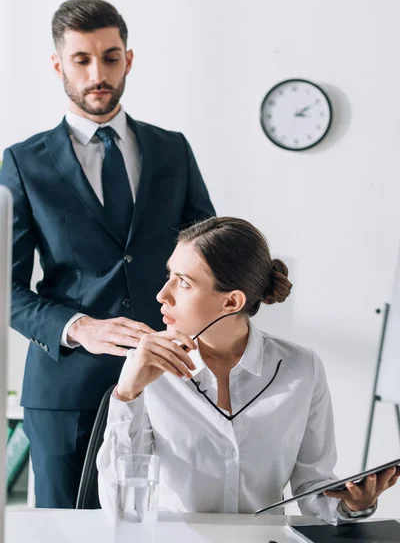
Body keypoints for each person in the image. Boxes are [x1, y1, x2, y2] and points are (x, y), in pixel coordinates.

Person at [0, 0, 215, 509]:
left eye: (111, 57)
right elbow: (5, 290)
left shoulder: (173, 150)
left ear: (129, 58)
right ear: (59, 65)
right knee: (63, 533)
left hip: (168, 383)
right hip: (64, 393)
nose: (98, 73)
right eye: (82, 59)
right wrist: (80, 327)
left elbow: (210, 259)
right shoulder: (22, 162)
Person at [97, 217, 399, 524]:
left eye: (184, 282)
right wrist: (127, 394)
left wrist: (352, 504)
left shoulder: (301, 369)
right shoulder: (148, 368)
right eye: (169, 275)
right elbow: (118, 504)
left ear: (231, 302)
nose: (163, 294)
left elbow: (313, 488)